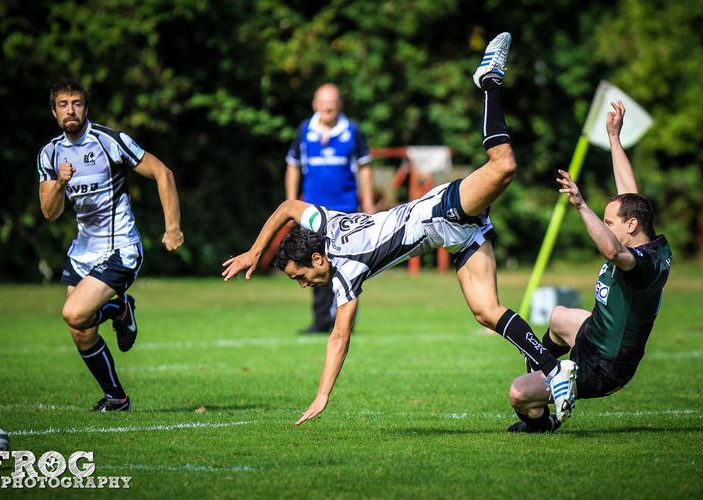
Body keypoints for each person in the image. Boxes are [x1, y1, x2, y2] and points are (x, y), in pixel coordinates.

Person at [223, 33, 577, 426]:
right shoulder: (323, 221)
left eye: (302, 276)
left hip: (440, 212)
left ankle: (489, 80)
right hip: (455, 236)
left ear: (318, 257)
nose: (305, 284)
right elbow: (289, 208)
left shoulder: (346, 272)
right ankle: (542, 403)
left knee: (504, 166)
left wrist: (322, 395)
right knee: (486, 311)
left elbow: (339, 337)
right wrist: (257, 251)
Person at [506, 101, 672, 433]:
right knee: (557, 317)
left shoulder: (644, 264)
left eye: (610, 221)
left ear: (631, 225)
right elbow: (629, 193)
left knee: (518, 392)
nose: (606, 225)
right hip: (594, 333)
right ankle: (554, 376)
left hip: (606, 366)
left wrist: (581, 206)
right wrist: (614, 137)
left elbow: (612, 252)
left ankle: (543, 419)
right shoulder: (645, 236)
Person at [38, 80, 184, 411]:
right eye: (63, 104)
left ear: (86, 108)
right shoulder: (50, 154)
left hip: (121, 248)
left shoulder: (110, 141)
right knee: (80, 330)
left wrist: (172, 227)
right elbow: (50, 212)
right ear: (54, 111)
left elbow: (164, 173)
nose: (70, 110)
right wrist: (60, 182)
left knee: (74, 312)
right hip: (83, 252)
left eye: (77, 103)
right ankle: (117, 398)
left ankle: (120, 308)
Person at [285, 83, 376, 333]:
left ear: (340, 105)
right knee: (314, 264)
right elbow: (292, 165)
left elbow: (365, 168)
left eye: (332, 102)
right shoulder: (304, 131)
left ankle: (345, 320)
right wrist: (291, 202)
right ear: (315, 104)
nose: (327, 107)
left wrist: (367, 205)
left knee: (348, 265)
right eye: (323, 103)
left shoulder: (353, 131)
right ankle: (321, 321)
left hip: (346, 211)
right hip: (313, 214)